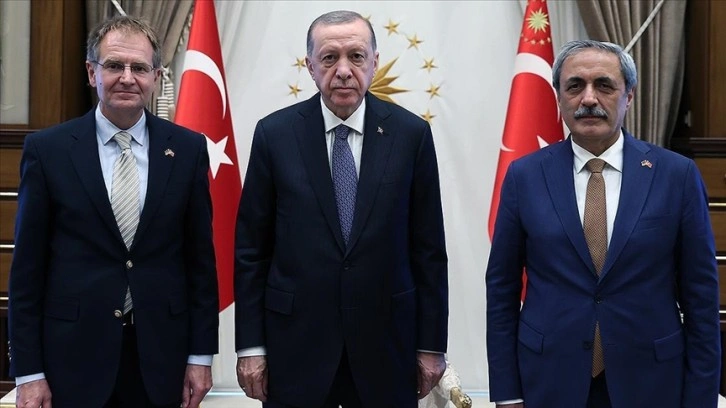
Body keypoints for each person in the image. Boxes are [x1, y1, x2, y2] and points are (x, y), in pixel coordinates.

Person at [486, 39, 721, 408]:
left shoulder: (676, 175)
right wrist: (507, 392)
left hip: (651, 382)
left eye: (604, 85)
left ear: (629, 96)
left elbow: (701, 298)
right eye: (575, 86)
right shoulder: (525, 176)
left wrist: (701, 399)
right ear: (558, 96)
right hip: (549, 380)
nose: (589, 98)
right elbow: (502, 290)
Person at [234, 10, 449, 408]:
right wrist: (250, 347)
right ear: (311, 66)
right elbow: (251, 252)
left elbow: (429, 252)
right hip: (294, 351)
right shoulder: (274, 135)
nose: (344, 71)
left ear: (374, 62)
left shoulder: (411, 135)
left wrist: (432, 346)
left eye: (356, 56)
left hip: (387, 350)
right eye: (330, 58)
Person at [8, 15, 219, 408]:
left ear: (156, 76)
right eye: (114, 65)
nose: (127, 78)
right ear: (92, 73)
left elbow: (200, 264)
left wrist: (201, 356)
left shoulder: (187, 150)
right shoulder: (49, 151)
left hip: (161, 359)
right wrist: (28, 372)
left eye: (139, 67)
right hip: (71, 359)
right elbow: (27, 271)